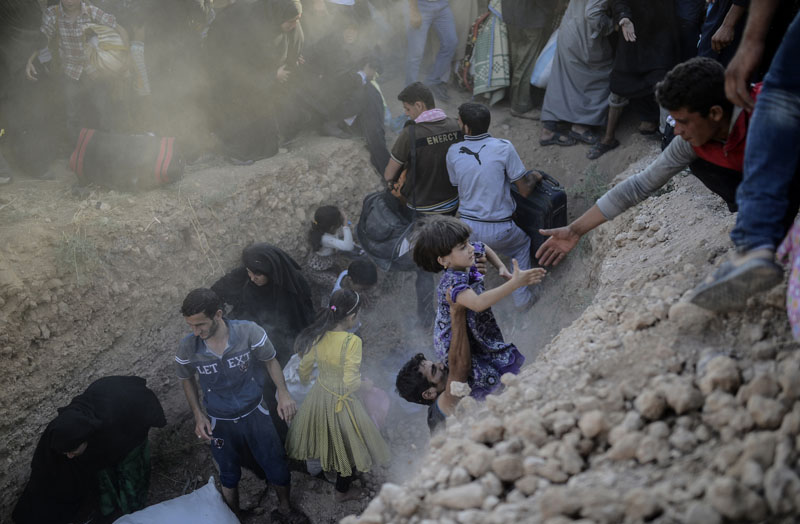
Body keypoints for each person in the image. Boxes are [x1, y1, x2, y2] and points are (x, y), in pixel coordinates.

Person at [535, 57, 800, 267]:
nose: (677, 131)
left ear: (715, 113)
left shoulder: (775, 115)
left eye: (683, 121)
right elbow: (638, 186)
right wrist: (574, 229)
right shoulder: (690, 141)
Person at [688, 3, 800, 311]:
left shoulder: (752, 104)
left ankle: (755, 242)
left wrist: (750, 40)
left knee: (782, 96)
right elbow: (643, 181)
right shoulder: (692, 145)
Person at [176, 288, 305, 520]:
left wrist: (283, 393)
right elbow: (185, 378)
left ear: (217, 314)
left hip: (255, 412)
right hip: (220, 421)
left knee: (275, 461)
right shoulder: (188, 346)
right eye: (190, 326)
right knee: (227, 472)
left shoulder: (248, 332)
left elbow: (270, 360)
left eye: (200, 325)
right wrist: (198, 414)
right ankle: (234, 517)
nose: (195, 332)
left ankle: (286, 509)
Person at [413, 215, 545, 399]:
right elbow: (478, 303)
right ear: (443, 261)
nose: (470, 249)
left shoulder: (465, 257)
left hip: (474, 326)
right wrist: (514, 283)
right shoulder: (451, 283)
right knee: (480, 371)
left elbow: (482, 247)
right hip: (455, 340)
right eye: (462, 247)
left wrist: (501, 267)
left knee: (490, 355)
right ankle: (496, 399)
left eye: (467, 243)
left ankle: (511, 390)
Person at [13, 376, 166, 524]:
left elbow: (117, 448)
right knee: (104, 475)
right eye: (66, 452)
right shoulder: (66, 427)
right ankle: (111, 509)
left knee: (130, 475)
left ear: (86, 438)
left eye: (72, 451)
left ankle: (133, 514)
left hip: (131, 426)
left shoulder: (111, 428)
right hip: (110, 407)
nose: (70, 456)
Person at [286, 289, 390, 501]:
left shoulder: (318, 335)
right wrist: (366, 385)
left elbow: (304, 370)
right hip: (342, 401)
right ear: (351, 316)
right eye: (357, 315)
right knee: (349, 446)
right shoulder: (351, 342)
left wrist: (316, 382)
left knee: (326, 439)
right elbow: (350, 382)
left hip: (320, 394)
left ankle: (327, 470)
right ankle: (341, 492)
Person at [211, 243, 314, 443]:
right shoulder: (247, 279)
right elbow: (214, 294)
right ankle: (284, 437)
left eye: (257, 274)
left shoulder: (294, 285)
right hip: (260, 349)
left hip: (290, 347)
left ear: (271, 271)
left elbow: (306, 319)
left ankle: (304, 432)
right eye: (249, 272)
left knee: (294, 389)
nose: (251, 278)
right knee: (269, 392)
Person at [446, 102, 542, 309]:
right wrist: (535, 176)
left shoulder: (453, 152)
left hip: (467, 230)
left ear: (466, 128)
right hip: (500, 229)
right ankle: (522, 299)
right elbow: (524, 190)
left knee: (473, 259)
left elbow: (457, 183)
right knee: (522, 244)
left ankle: (473, 302)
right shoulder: (504, 147)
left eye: (459, 121)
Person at [383, 82, 462, 328]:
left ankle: (427, 319)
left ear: (419, 105)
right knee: (452, 252)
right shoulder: (454, 125)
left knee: (425, 266)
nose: (406, 113)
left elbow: (389, 174)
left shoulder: (411, 134)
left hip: (423, 211)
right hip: (452, 205)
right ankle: (460, 304)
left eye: (407, 108)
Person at [588, 0, 680, 159]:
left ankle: (668, 143)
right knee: (619, 85)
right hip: (632, 36)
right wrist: (624, 17)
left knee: (663, 87)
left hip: (661, 36)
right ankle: (608, 138)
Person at [25, 0, 129, 141]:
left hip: (94, 72)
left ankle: (108, 145)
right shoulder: (52, 13)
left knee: (103, 110)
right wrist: (29, 60)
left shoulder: (92, 11)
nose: (69, 1)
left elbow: (119, 28)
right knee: (72, 114)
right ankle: (78, 149)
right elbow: (43, 37)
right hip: (70, 71)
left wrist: (125, 57)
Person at [539, 0, 614, 147]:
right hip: (585, 39)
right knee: (601, 78)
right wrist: (612, 25)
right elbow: (593, 14)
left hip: (569, 30)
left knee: (560, 80)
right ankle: (581, 126)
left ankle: (548, 130)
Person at [395, 292, 472, 433]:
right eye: (434, 370)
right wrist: (456, 312)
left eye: (434, 365)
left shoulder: (436, 410)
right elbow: (461, 366)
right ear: (429, 393)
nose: (441, 365)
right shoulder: (442, 406)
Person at [502, 0, 556, 120]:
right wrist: (553, 8)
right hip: (530, 18)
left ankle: (514, 99)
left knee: (518, 60)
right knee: (525, 64)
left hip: (512, 15)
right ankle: (520, 106)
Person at [405, 0, 458, 101]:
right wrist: (413, 10)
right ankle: (410, 91)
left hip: (442, 5)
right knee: (416, 53)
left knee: (450, 43)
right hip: (421, 5)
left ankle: (433, 81)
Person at [304, 205, 357, 304]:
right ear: (332, 227)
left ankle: (323, 290)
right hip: (318, 272)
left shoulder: (323, 230)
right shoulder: (326, 239)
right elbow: (349, 246)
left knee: (336, 278)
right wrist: (345, 225)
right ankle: (327, 309)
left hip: (325, 264)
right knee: (335, 287)